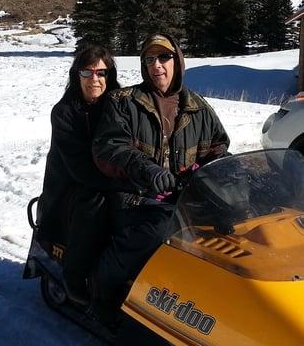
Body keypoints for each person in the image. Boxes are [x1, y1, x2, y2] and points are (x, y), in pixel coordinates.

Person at [91, 33, 230, 314]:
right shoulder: (123, 102)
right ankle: (102, 291)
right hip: (136, 198)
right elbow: (109, 146)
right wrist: (147, 169)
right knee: (158, 230)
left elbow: (218, 146)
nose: (157, 65)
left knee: (231, 227)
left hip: (185, 198)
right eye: (150, 59)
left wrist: (223, 168)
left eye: (164, 57)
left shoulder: (199, 107)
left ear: (177, 61)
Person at [35, 45, 122, 306]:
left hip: (109, 177)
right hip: (69, 188)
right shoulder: (64, 112)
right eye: (87, 72)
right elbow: (80, 166)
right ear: (77, 75)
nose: (95, 79)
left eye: (101, 73)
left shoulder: (120, 104)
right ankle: (75, 276)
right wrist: (121, 182)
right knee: (95, 204)